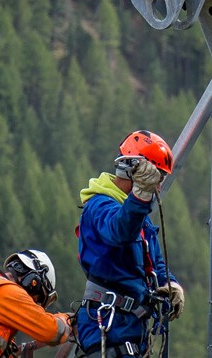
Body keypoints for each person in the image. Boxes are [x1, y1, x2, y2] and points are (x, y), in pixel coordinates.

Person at [73, 130, 186, 357]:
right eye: (158, 176)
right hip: (107, 322)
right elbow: (120, 231)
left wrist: (171, 285)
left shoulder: (140, 219)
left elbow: (155, 264)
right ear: (135, 171)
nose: (159, 185)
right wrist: (141, 195)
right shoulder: (99, 207)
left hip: (131, 325)